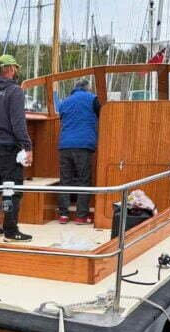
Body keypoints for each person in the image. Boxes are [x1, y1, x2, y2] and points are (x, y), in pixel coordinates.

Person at [0, 54, 33, 242]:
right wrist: (27, 147)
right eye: (16, 69)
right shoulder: (15, 91)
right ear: (11, 69)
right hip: (7, 147)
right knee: (11, 188)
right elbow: (18, 123)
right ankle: (11, 231)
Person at [56, 78, 100, 225]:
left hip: (65, 146)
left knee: (65, 180)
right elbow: (102, 114)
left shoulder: (65, 102)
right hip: (83, 145)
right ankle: (81, 216)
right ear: (88, 88)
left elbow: (61, 117)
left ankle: (63, 215)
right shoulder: (93, 99)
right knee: (83, 180)